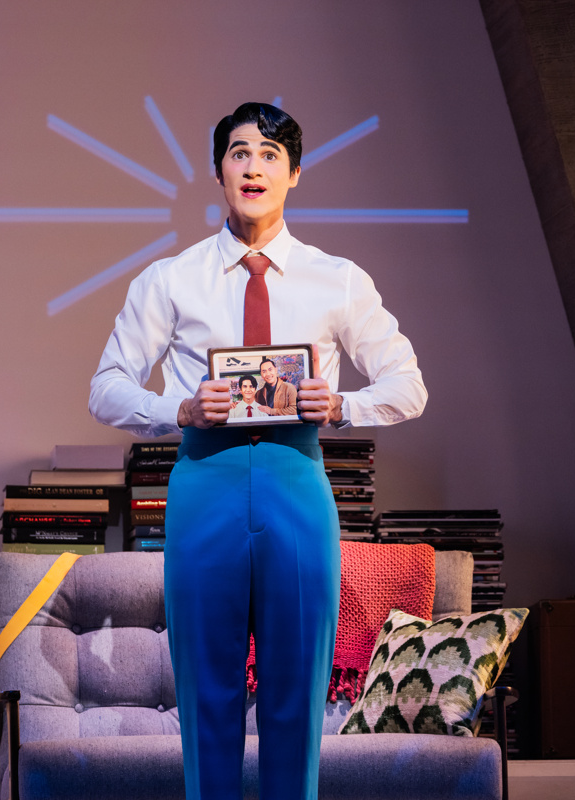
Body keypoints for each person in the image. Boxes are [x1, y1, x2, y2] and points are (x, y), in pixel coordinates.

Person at [89, 102, 426, 800]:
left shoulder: (338, 278)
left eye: (271, 155)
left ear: (294, 173)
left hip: (296, 482)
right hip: (203, 482)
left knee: (295, 692)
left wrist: (342, 406)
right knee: (206, 691)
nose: (254, 167)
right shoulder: (169, 278)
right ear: (219, 171)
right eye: (239, 152)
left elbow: (409, 386)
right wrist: (178, 409)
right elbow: (106, 388)